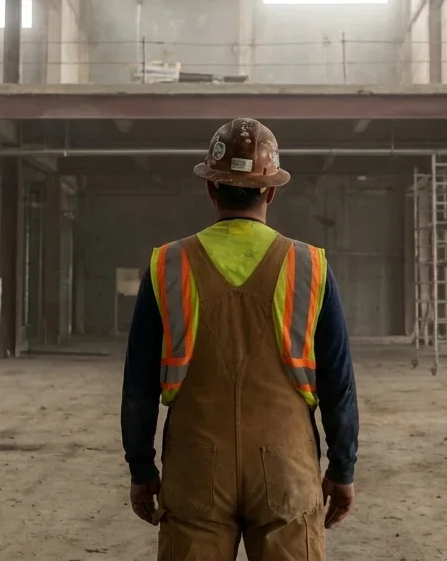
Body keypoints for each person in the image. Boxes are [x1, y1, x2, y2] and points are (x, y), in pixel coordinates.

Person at [120, 118, 360, 561]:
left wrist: (141, 468)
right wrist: (342, 468)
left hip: (196, 466)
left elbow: (138, 384)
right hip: (286, 465)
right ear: (270, 191)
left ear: (211, 189)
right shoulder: (310, 266)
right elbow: (338, 382)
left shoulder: (167, 265)